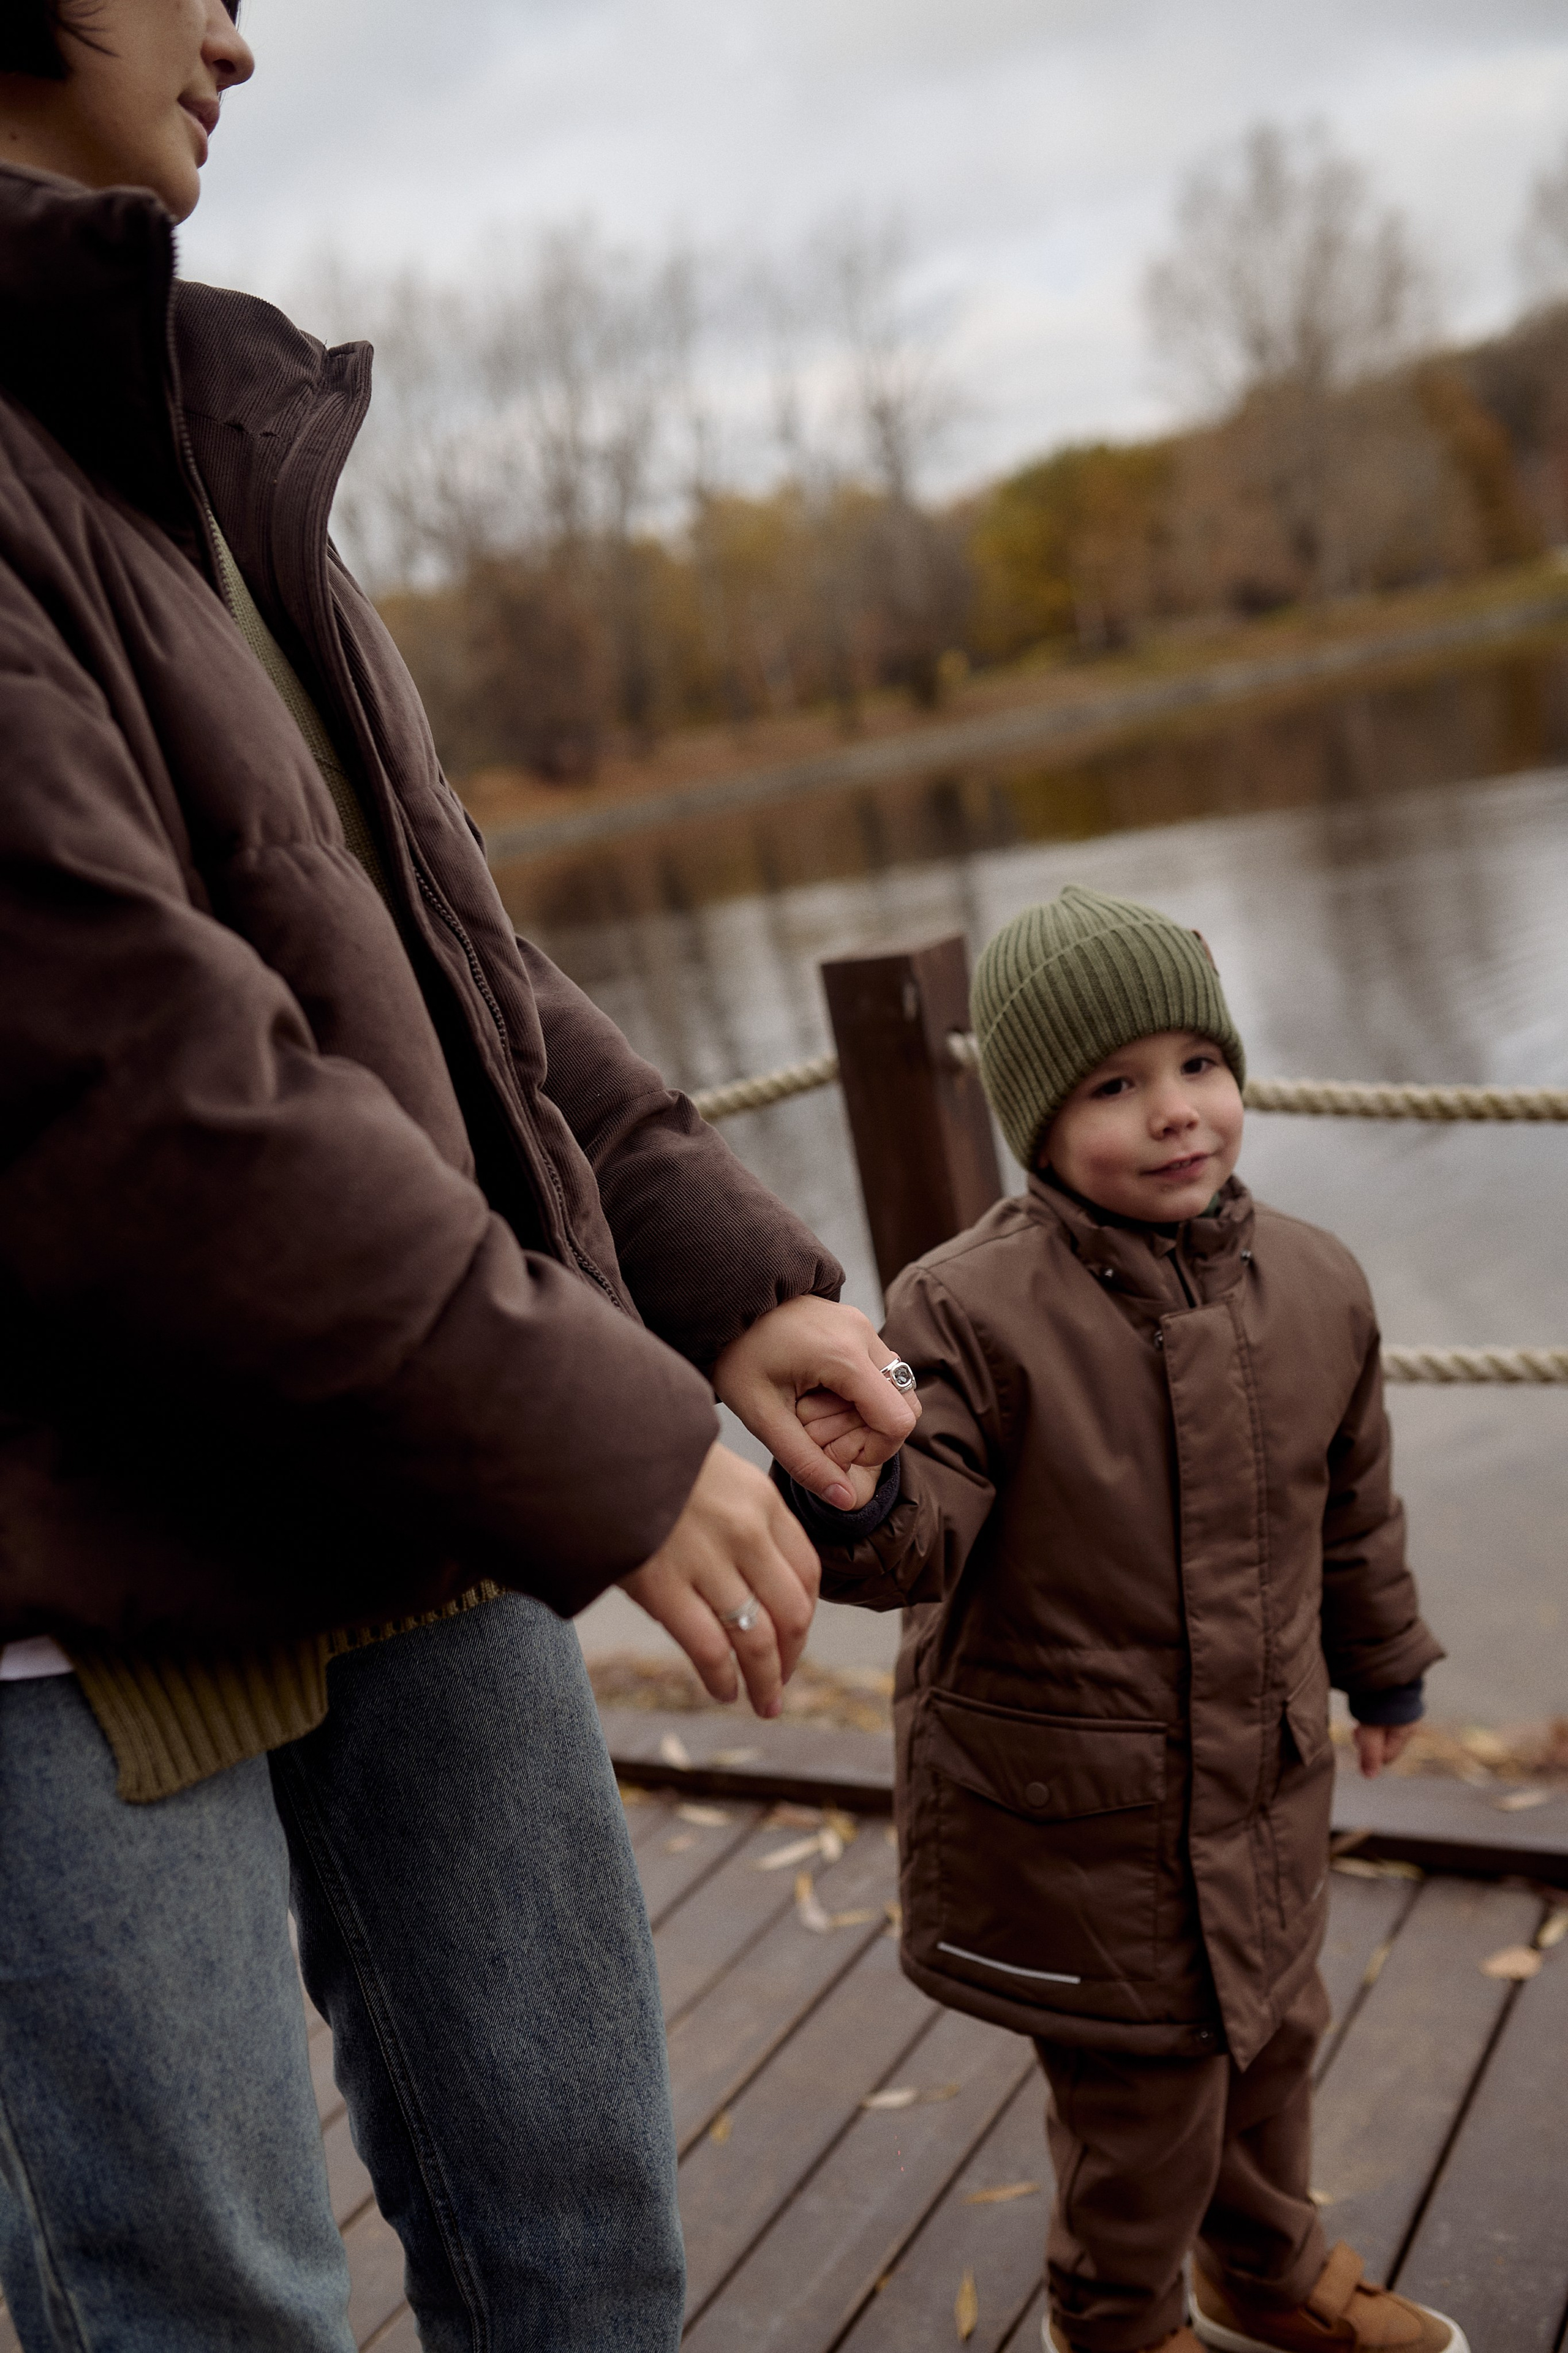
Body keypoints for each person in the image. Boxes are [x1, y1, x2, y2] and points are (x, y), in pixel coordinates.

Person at [0, 5, 916, 2348]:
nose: (240, 31)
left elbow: (435, 942)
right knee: (212, 2308)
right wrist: (603, 1434)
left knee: (581, 2237)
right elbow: (123, 1078)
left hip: (410, 1480)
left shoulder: (179, 410)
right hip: (63, 1572)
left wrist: (710, 1281)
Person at [780, 885, 1468, 2353]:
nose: (1174, 1112)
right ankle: (1112, 2323)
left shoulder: (1319, 1284)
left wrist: (1386, 1668)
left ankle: (1260, 2275)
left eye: (1196, 1066)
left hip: (1262, 1789)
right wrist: (849, 1496)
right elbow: (917, 1534)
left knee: (1273, 2041)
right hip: (1078, 1829)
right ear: (1034, 1119)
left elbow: (1354, 1514)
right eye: (1114, 1084)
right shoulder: (964, 1310)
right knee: (1139, 2112)